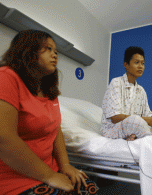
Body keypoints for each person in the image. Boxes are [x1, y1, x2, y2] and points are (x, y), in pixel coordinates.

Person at [0, 30, 99, 195]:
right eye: (48, 49)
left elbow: (56, 129)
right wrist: (50, 176)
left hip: (50, 169)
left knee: (90, 189)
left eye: (56, 51)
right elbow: (4, 139)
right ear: (28, 50)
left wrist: (65, 165)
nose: (55, 55)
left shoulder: (49, 90)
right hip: (14, 177)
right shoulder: (6, 77)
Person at [101, 46, 152, 140]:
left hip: (133, 127)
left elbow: (147, 113)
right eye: (136, 62)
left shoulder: (141, 90)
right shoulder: (116, 83)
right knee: (135, 120)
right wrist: (150, 120)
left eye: (143, 63)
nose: (140, 66)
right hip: (112, 129)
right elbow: (115, 117)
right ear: (126, 65)